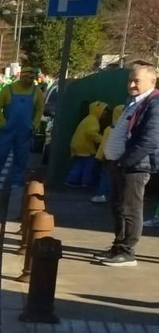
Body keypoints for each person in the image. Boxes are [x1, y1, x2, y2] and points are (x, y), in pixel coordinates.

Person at [93, 61, 158, 268]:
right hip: (120, 164)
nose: (131, 85)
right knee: (118, 207)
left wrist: (126, 162)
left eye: (136, 81)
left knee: (130, 208)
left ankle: (127, 251)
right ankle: (118, 245)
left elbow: (150, 139)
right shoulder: (134, 101)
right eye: (130, 80)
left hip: (135, 167)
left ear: (152, 81)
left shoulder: (154, 104)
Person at [0, 67, 44, 191]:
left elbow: (39, 109)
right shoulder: (8, 89)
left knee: (21, 157)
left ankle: (16, 181)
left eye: (32, 78)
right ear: (22, 77)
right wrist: (2, 122)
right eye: (28, 78)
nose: (30, 80)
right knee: (0, 155)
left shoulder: (37, 92)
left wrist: (34, 124)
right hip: (7, 130)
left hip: (25, 131)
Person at [66, 101, 110, 188]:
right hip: (85, 147)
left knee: (79, 164)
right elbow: (91, 133)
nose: (105, 113)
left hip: (78, 145)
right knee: (89, 165)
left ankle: (72, 180)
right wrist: (102, 140)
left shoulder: (89, 119)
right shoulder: (93, 121)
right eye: (104, 110)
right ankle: (86, 182)